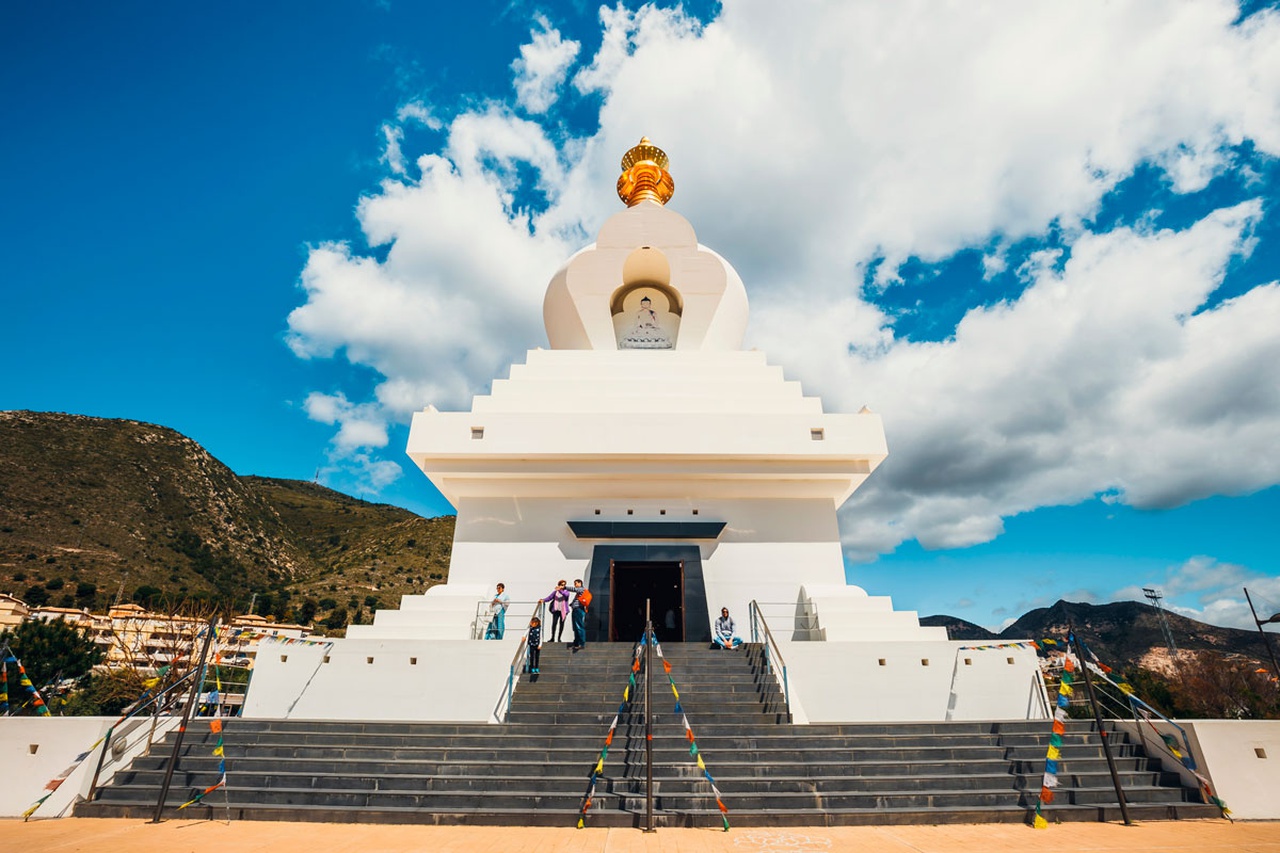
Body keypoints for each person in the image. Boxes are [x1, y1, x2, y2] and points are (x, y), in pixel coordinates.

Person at [569, 579, 588, 651]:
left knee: (579, 626)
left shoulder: (581, 589)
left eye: (576, 583)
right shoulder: (578, 593)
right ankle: (576, 643)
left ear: (580, 583)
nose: (575, 585)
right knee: (575, 627)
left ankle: (581, 643)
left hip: (579, 610)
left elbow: (574, 589)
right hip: (576, 609)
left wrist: (564, 587)